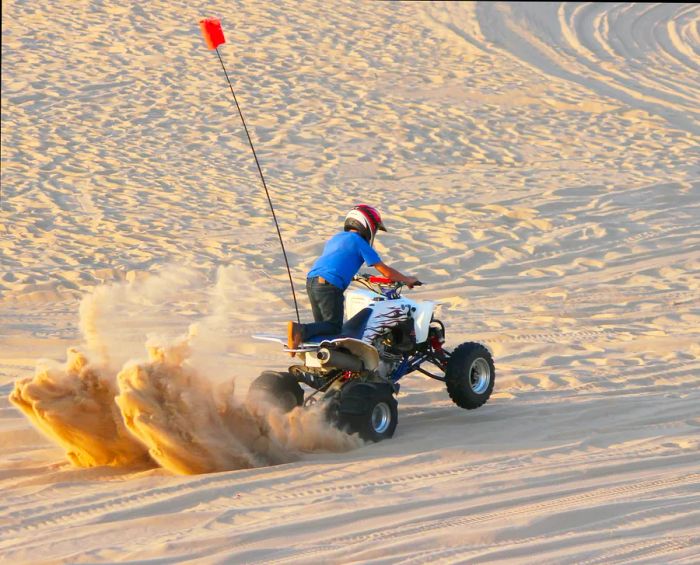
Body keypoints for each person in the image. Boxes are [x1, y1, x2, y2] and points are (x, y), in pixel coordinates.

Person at [287, 204, 419, 353]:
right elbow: (386, 272)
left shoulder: (336, 238)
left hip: (312, 281)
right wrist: (407, 279)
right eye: (375, 228)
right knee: (334, 326)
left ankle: (312, 350)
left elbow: (337, 260)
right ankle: (299, 331)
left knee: (324, 330)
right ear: (367, 224)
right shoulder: (359, 242)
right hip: (330, 284)